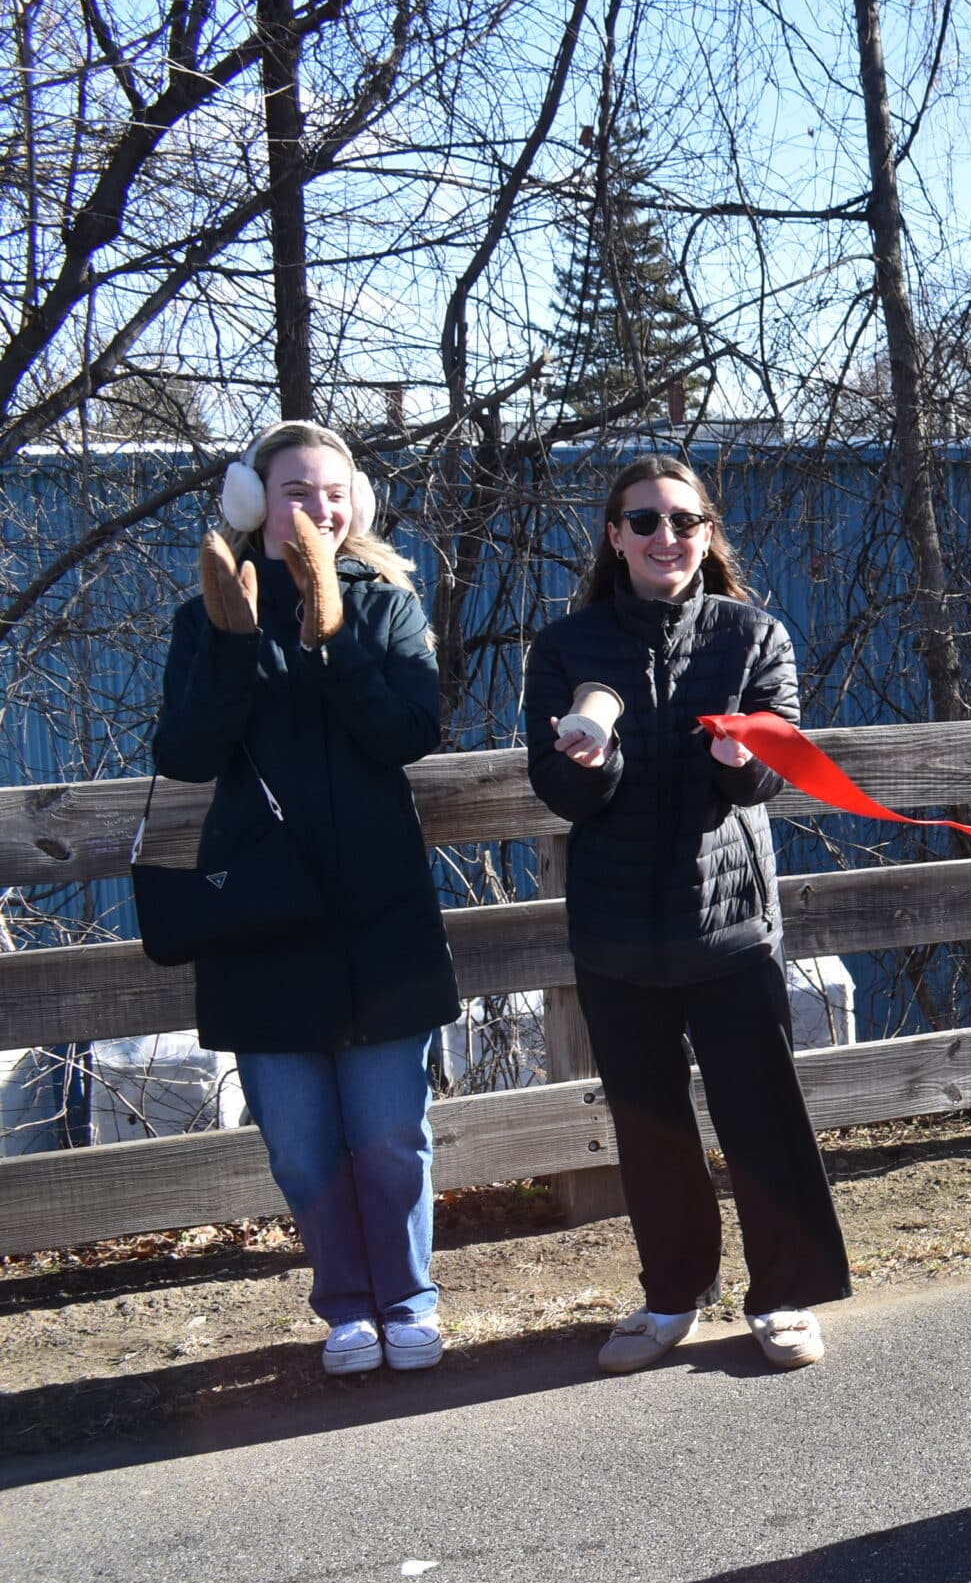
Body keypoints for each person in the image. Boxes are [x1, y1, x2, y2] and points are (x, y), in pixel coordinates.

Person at [523, 455, 850, 1375]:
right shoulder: (564, 648)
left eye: (684, 520)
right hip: (618, 936)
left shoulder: (754, 637)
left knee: (762, 1116)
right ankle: (673, 1295)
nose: (667, 537)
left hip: (731, 925)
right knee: (649, 1126)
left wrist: (740, 753)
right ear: (615, 536)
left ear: (708, 533)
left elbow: (765, 779)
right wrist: (594, 763)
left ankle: (783, 1293)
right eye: (645, 521)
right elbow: (558, 791)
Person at [156, 420, 459, 1376]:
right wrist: (233, 643)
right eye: (295, 491)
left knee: (388, 1136)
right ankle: (344, 1309)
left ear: (355, 502)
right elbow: (185, 754)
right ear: (254, 502)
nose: (317, 509)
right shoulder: (209, 608)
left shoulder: (389, 602)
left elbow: (407, 732)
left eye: (332, 491)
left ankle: (408, 1300)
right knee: (299, 1148)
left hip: (380, 912)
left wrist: (334, 630)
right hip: (263, 917)